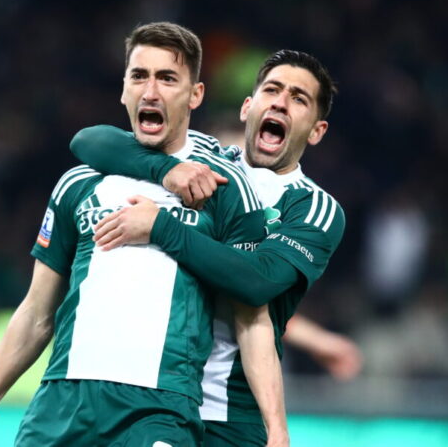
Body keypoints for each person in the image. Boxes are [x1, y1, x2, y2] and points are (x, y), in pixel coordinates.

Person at [0, 22, 280, 447]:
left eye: (167, 78)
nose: (150, 91)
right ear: (124, 89)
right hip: (62, 403)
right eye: (139, 76)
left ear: (195, 95)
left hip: (158, 407)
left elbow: (253, 318)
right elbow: (36, 313)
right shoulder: (80, 182)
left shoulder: (222, 185)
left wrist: (276, 428)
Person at [70, 49, 350, 447]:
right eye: (272, 90)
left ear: (317, 131)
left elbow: (257, 282)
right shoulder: (201, 160)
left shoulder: (312, 207)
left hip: (227, 411)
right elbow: (89, 141)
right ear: (247, 107)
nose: (280, 103)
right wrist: (168, 170)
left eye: (298, 98)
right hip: (150, 391)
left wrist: (160, 227)